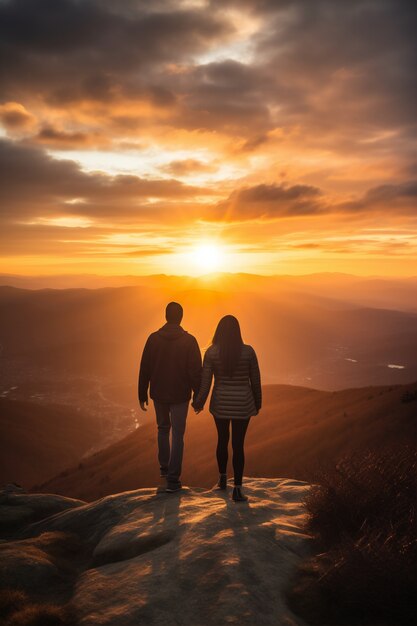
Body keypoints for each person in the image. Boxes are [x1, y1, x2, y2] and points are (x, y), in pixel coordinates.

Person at [192, 315, 261, 502]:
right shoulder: (248, 352)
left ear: (219, 331)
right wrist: (258, 402)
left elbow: (206, 383)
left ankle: (222, 480)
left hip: (220, 404)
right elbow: (255, 380)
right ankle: (238, 489)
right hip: (243, 405)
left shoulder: (212, 353)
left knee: (222, 440)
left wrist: (198, 402)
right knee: (238, 445)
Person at [138, 302, 202, 492]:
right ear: (181, 317)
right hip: (180, 395)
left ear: (166, 316)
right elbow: (195, 372)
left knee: (162, 430)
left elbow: (145, 368)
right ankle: (174, 480)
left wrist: (142, 393)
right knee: (178, 435)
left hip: (159, 393)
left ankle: (164, 473)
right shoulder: (189, 341)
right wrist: (198, 396)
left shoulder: (153, 339)